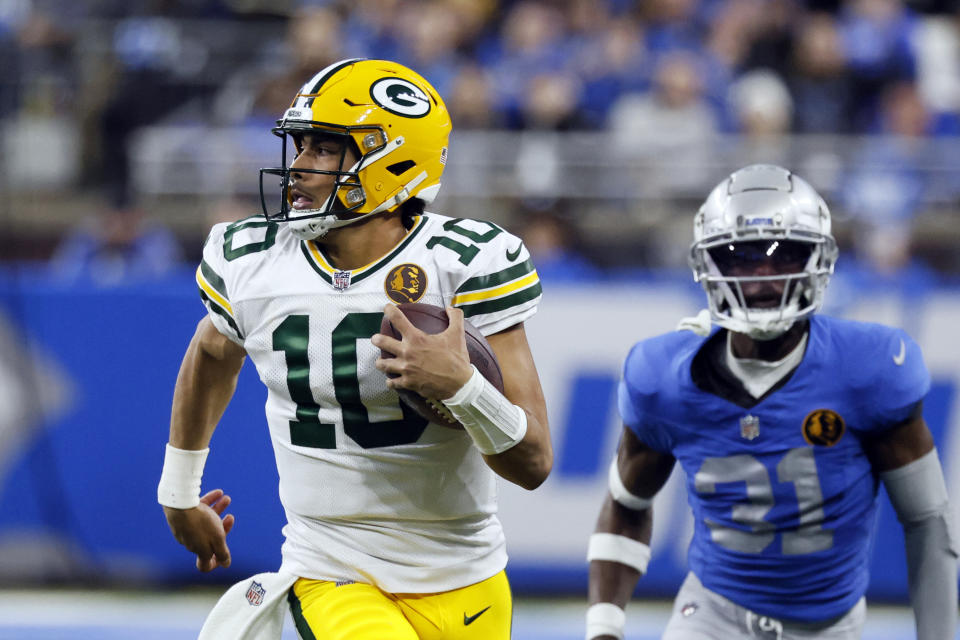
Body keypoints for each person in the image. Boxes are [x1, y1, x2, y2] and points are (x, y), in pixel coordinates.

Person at [157, 58, 552, 640]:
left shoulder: (464, 263)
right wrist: (178, 489)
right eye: (300, 147)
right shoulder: (254, 260)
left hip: (466, 571)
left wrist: (461, 388)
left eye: (324, 150)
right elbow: (213, 352)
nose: (298, 168)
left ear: (393, 161)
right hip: (331, 566)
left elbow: (534, 462)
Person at [586, 164, 957, 640]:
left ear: (817, 262)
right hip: (711, 614)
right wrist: (603, 630)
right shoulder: (664, 378)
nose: (762, 277)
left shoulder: (869, 370)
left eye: (782, 258)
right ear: (710, 267)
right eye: (741, 258)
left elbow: (927, 519)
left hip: (829, 626)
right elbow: (625, 502)